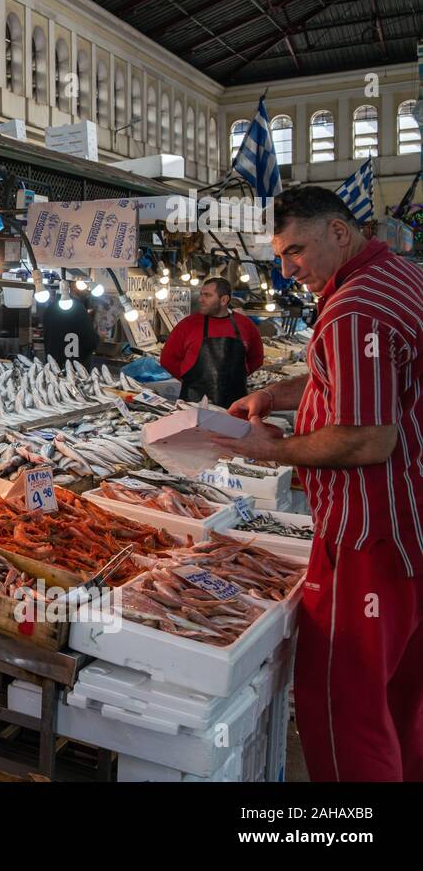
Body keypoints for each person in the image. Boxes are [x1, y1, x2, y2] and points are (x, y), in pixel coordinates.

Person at [212, 185, 423, 782]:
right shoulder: (398, 276)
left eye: (295, 250)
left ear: (338, 232)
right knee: (403, 703)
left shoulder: (355, 309)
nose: (287, 269)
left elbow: (366, 438)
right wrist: (277, 394)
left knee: (344, 709)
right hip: (411, 531)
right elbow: (358, 378)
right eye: (279, 255)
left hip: (368, 539)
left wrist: (273, 449)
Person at [158, 276, 263, 406]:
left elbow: (256, 359)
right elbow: (168, 360)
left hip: (235, 403)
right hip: (194, 402)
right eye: (201, 294)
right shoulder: (188, 325)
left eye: (207, 295)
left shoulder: (246, 325)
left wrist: (234, 379)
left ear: (224, 300)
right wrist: (189, 378)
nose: (201, 299)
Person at [42, 293, 100, 367]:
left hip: (53, 367)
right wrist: (99, 337)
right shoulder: (79, 310)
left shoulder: (49, 310)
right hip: (76, 370)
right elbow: (91, 342)